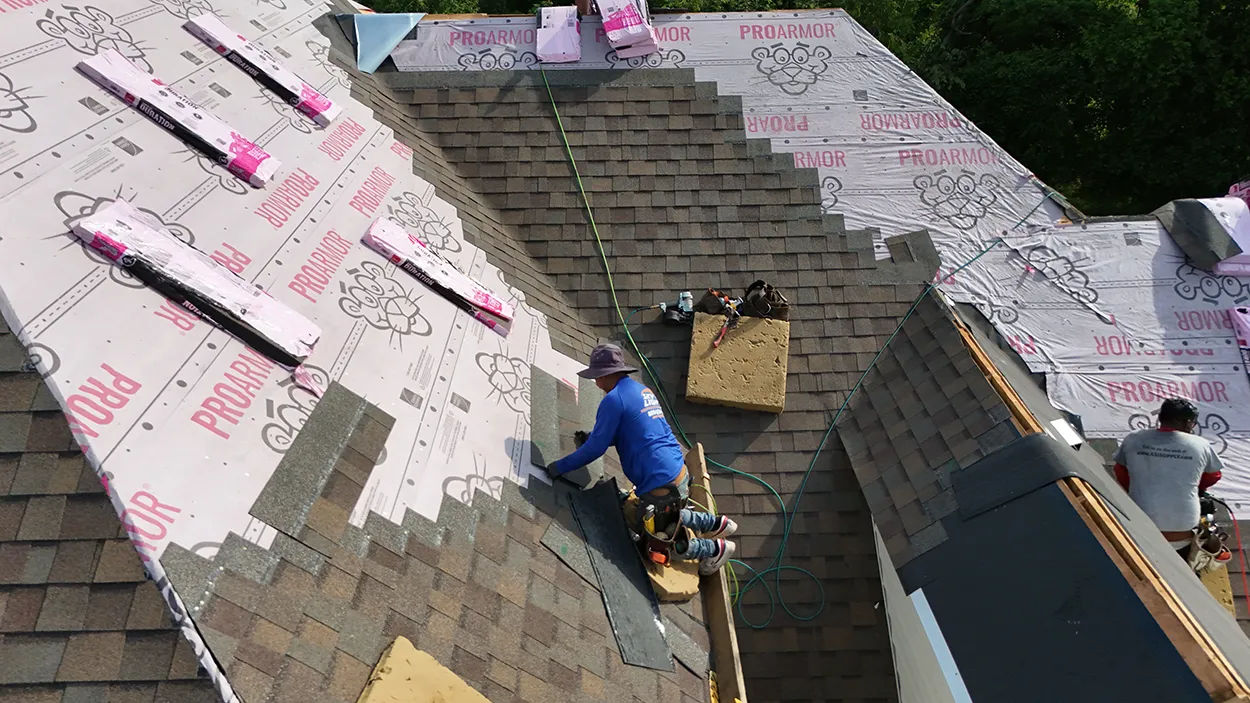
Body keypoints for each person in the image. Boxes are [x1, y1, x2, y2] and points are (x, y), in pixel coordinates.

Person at [546, 343, 738, 574]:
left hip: (661, 487)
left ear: (607, 374)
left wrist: (560, 466)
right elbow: (636, 433)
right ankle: (716, 524)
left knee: (654, 544)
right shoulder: (641, 391)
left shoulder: (613, 400)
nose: (596, 383)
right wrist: (597, 436)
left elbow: (595, 451)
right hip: (678, 474)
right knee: (666, 516)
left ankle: (713, 549)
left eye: (597, 376)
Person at [1113, 398, 1223, 560]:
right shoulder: (1200, 444)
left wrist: (1139, 488)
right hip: (1181, 530)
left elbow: (1120, 471)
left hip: (1138, 524)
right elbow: (1214, 475)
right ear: (1187, 423)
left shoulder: (1133, 438)